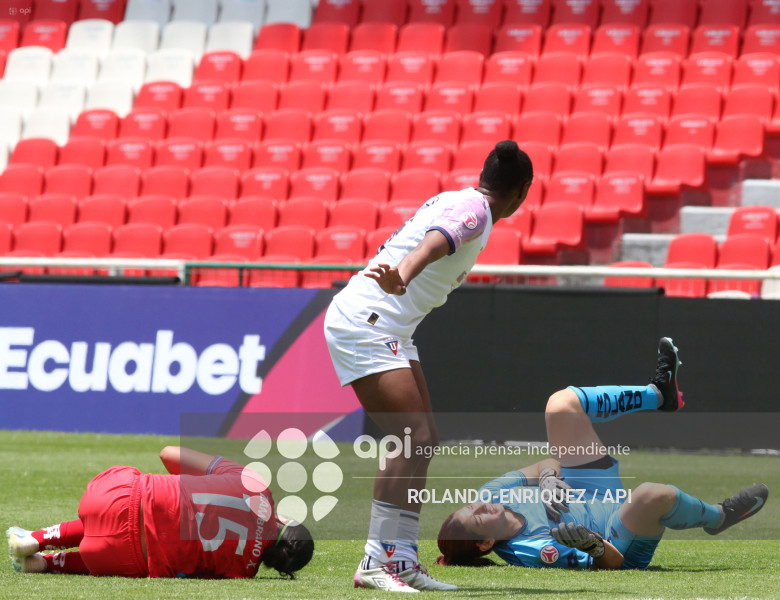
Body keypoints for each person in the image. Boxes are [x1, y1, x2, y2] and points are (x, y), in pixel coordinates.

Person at [324, 140, 534, 592]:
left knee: (425, 440)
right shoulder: (474, 212)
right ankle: (373, 561)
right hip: (367, 321)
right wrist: (404, 273)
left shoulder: (458, 198)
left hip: (392, 327)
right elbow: (433, 245)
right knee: (410, 438)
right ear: (522, 192)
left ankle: (402, 561)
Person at [436, 338, 769, 570]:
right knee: (651, 494)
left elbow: (547, 463)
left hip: (591, 490)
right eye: (477, 517)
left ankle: (658, 394)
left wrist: (550, 477)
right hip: (615, 534)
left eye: (469, 505)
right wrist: (591, 545)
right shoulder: (534, 551)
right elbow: (614, 564)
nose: (480, 504)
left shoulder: (490, 495)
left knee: (560, 404)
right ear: (485, 544)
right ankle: (719, 516)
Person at [7, 446, 314, 579]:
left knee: (132, 504)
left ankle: (36, 538)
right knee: (142, 552)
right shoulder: (243, 572)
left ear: (286, 519)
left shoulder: (258, 486)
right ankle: (48, 564)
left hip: (109, 497)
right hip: (113, 557)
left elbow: (167, 454)